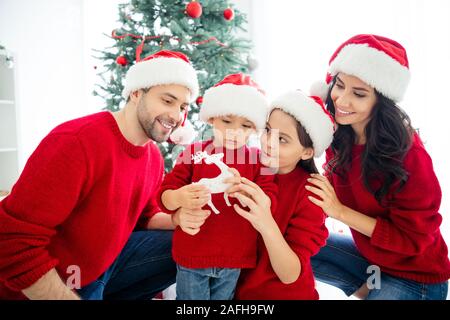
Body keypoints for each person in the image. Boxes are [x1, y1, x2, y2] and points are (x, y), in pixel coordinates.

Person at [0, 49, 199, 300]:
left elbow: (145, 215)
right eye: (167, 101)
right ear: (137, 93)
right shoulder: (76, 142)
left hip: (100, 269)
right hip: (54, 281)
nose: (177, 116)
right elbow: (12, 241)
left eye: (183, 107)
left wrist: (178, 219)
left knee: (189, 245)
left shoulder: (153, 157)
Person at [308, 34, 450, 300]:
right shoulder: (340, 133)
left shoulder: (408, 154)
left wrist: (338, 211)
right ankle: (371, 287)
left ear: (380, 100)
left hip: (416, 277)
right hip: (373, 261)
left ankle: (374, 289)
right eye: (339, 86)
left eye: (359, 94)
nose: (341, 101)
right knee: (289, 240)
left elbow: (414, 240)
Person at [157, 73, 278, 300]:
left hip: (234, 258)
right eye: (227, 121)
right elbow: (164, 195)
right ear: (212, 119)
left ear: (255, 129)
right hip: (193, 255)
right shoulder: (194, 153)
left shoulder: (260, 160)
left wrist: (245, 190)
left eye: (245, 125)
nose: (235, 131)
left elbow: (269, 200)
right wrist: (179, 198)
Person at [227, 90, 334, 299]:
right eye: (267, 130)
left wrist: (265, 222)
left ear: (307, 152)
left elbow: (290, 275)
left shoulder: (310, 193)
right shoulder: (247, 164)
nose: (268, 142)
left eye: (282, 139)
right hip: (234, 292)